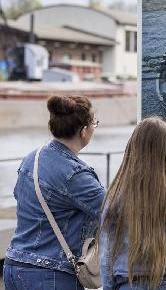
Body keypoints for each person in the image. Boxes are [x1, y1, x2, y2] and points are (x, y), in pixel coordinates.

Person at [3, 95, 105, 290]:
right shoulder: (75, 174)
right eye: (94, 123)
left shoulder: (32, 158)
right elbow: (113, 210)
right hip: (50, 275)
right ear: (84, 131)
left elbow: (20, 197)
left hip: (14, 266)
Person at [99, 116, 166, 290]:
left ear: (132, 148)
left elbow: (106, 253)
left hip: (128, 281)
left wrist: (109, 287)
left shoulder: (114, 197)